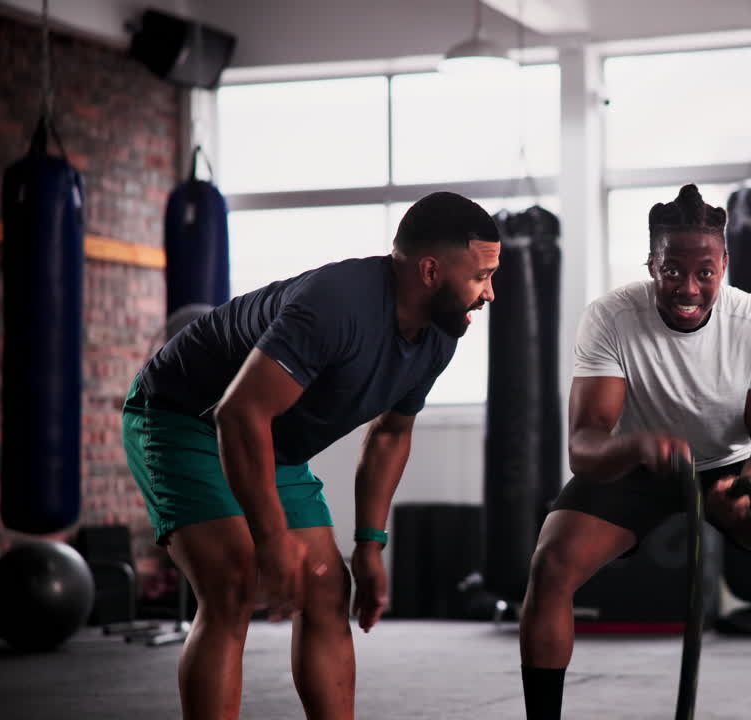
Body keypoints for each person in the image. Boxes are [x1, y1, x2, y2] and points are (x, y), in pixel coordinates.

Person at [121, 191, 500, 720]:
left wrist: (369, 544)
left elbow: (390, 434)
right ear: (431, 270)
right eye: (481, 276)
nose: (490, 293)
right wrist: (272, 537)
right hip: (183, 415)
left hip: (266, 437)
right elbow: (238, 414)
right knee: (232, 584)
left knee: (325, 586)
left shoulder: (439, 334)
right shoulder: (336, 305)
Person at [518, 184, 751, 719]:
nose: (689, 288)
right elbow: (584, 446)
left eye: (705, 272)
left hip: (733, 465)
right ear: (651, 265)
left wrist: (750, 487)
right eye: (672, 270)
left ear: (725, 265)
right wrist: (637, 446)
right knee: (551, 565)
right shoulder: (610, 317)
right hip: (637, 463)